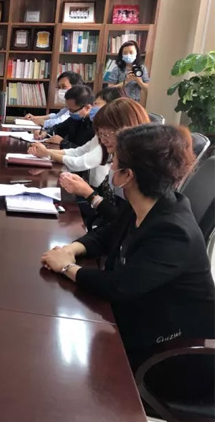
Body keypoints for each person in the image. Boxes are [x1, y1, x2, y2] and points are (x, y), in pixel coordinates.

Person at [40, 124, 214, 369]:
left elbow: (119, 286)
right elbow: (105, 235)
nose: (110, 165)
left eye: (114, 159)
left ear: (127, 175)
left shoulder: (173, 232)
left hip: (171, 352)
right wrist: (71, 250)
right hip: (139, 316)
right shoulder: (146, 204)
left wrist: (66, 267)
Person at [56, 98, 150, 227]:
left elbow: (123, 221)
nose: (103, 140)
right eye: (100, 134)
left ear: (128, 130)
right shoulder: (116, 155)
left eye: (107, 134)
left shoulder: (139, 169)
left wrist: (87, 192)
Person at [27, 88, 123, 187]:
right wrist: (46, 150)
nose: (92, 107)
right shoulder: (100, 132)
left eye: (96, 104)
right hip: (90, 181)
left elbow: (81, 162)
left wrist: (48, 154)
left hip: (99, 186)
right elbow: (79, 151)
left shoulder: (112, 137)